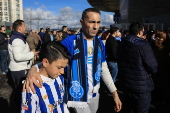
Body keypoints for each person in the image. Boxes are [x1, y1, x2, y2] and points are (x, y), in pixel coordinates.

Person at [24, 8, 122, 113]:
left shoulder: (100, 44)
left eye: (98, 22)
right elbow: (50, 59)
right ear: (82, 22)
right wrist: (33, 69)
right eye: (91, 22)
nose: (96, 26)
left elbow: (103, 68)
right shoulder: (69, 43)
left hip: (95, 94)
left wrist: (114, 92)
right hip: (77, 97)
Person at [117, 22, 158, 113]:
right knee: (141, 110)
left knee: (127, 108)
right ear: (140, 32)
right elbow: (152, 66)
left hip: (126, 83)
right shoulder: (143, 45)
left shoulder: (122, 42)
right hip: (141, 86)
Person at [21, 41, 71, 113]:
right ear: (45, 62)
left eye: (64, 67)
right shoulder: (31, 88)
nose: (62, 72)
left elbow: (62, 103)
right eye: (59, 67)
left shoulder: (60, 78)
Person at [8, 19, 39, 112]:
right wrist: (32, 54)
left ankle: (19, 106)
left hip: (20, 68)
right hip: (20, 70)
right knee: (20, 91)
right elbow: (18, 56)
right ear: (19, 29)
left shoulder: (19, 38)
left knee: (19, 90)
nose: (26, 27)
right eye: (24, 26)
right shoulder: (17, 40)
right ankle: (20, 108)